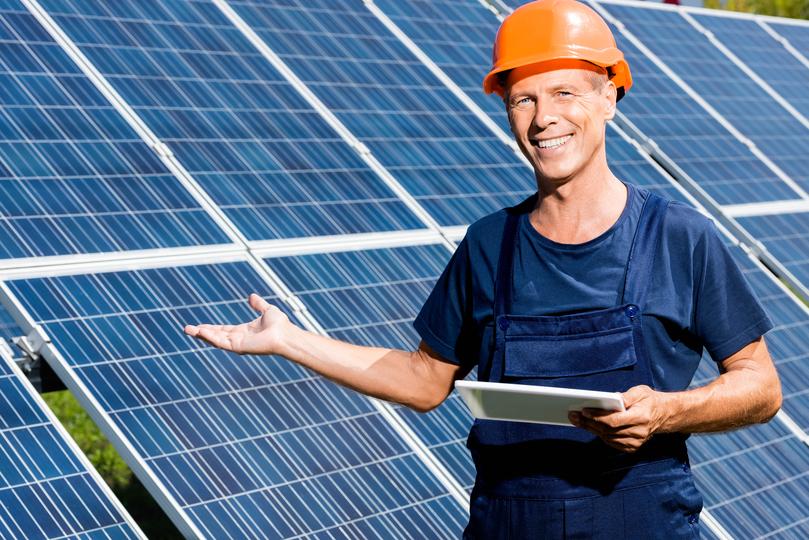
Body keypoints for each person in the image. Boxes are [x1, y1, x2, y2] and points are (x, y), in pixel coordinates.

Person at [184, 0, 782, 537]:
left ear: (609, 97)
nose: (544, 117)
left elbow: (760, 386)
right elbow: (424, 379)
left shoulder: (679, 235)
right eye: (524, 98)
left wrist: (668, 412)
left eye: (566, 92)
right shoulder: (488, 244)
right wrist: (289, 340)